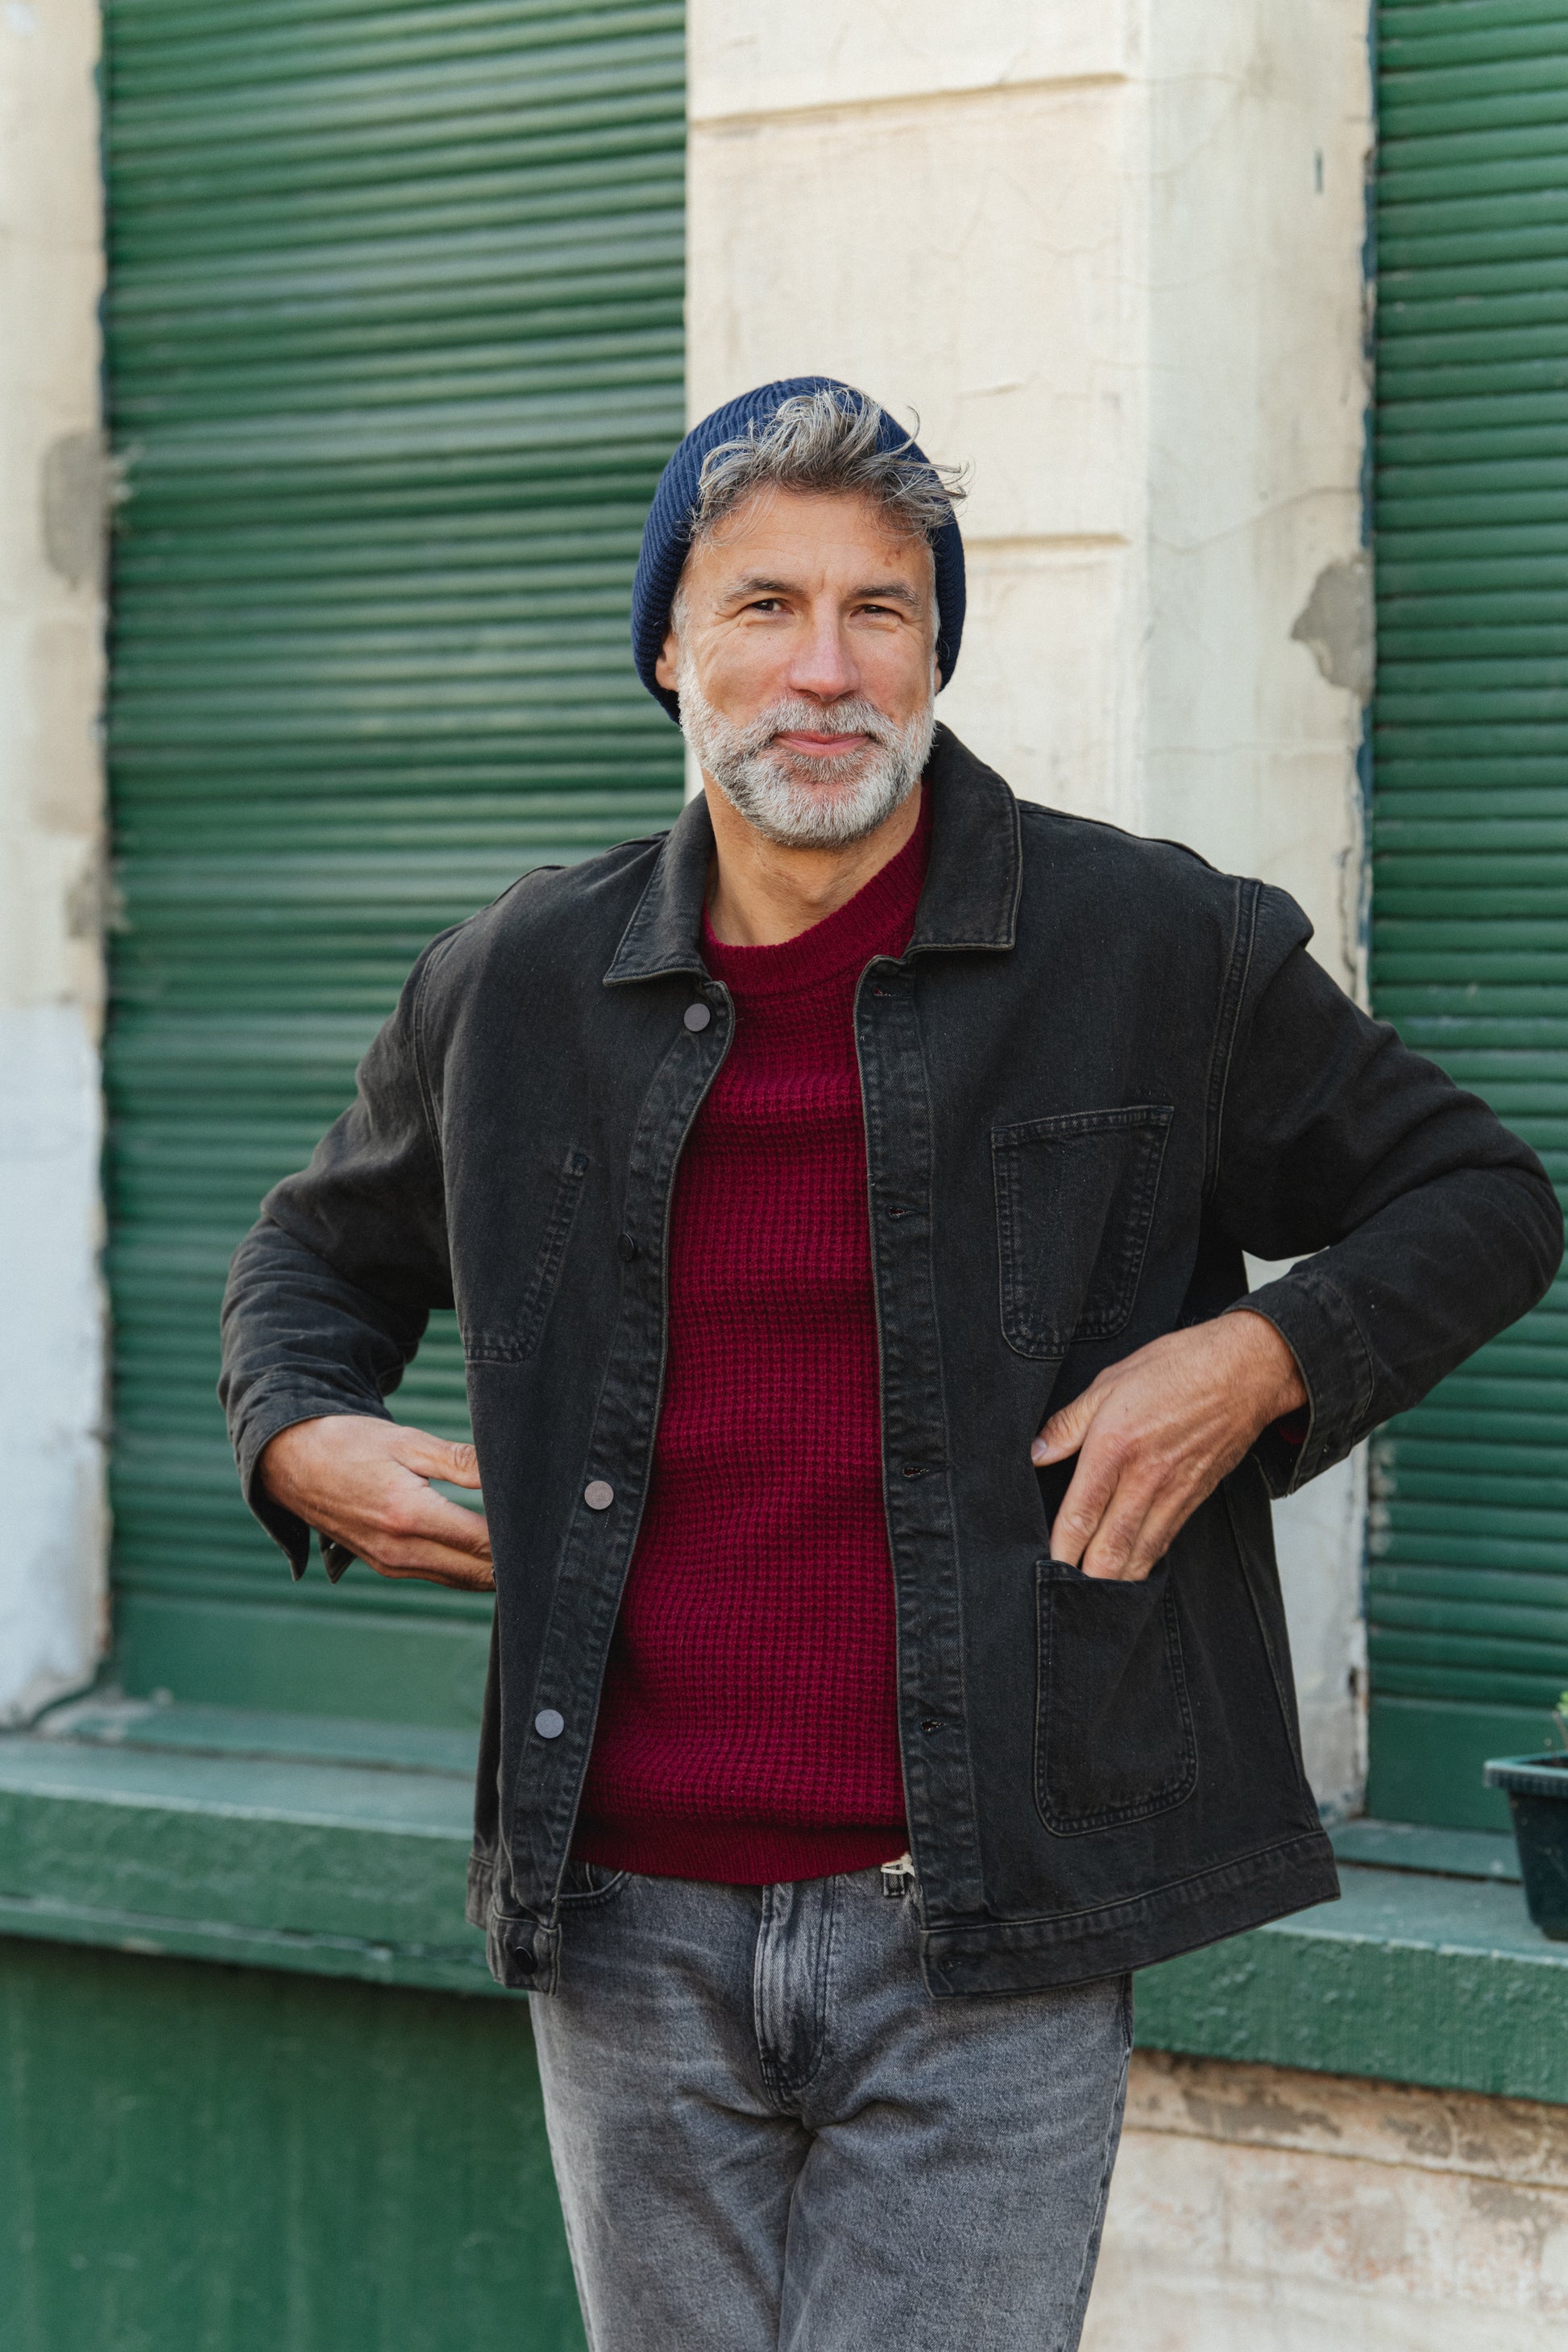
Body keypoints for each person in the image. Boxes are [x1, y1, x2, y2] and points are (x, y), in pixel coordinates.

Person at [219, 378, 1562, 2350]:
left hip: (986, 1911)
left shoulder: (1149, 943)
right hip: (620, 1914)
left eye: (881, 610)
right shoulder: (514, 981)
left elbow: (1480, 1195)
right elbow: (311, 1256)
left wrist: (1255, 1354)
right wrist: (299, 1436)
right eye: (762, 607)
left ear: (936, 648)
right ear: (668, 648)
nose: (824, 671)